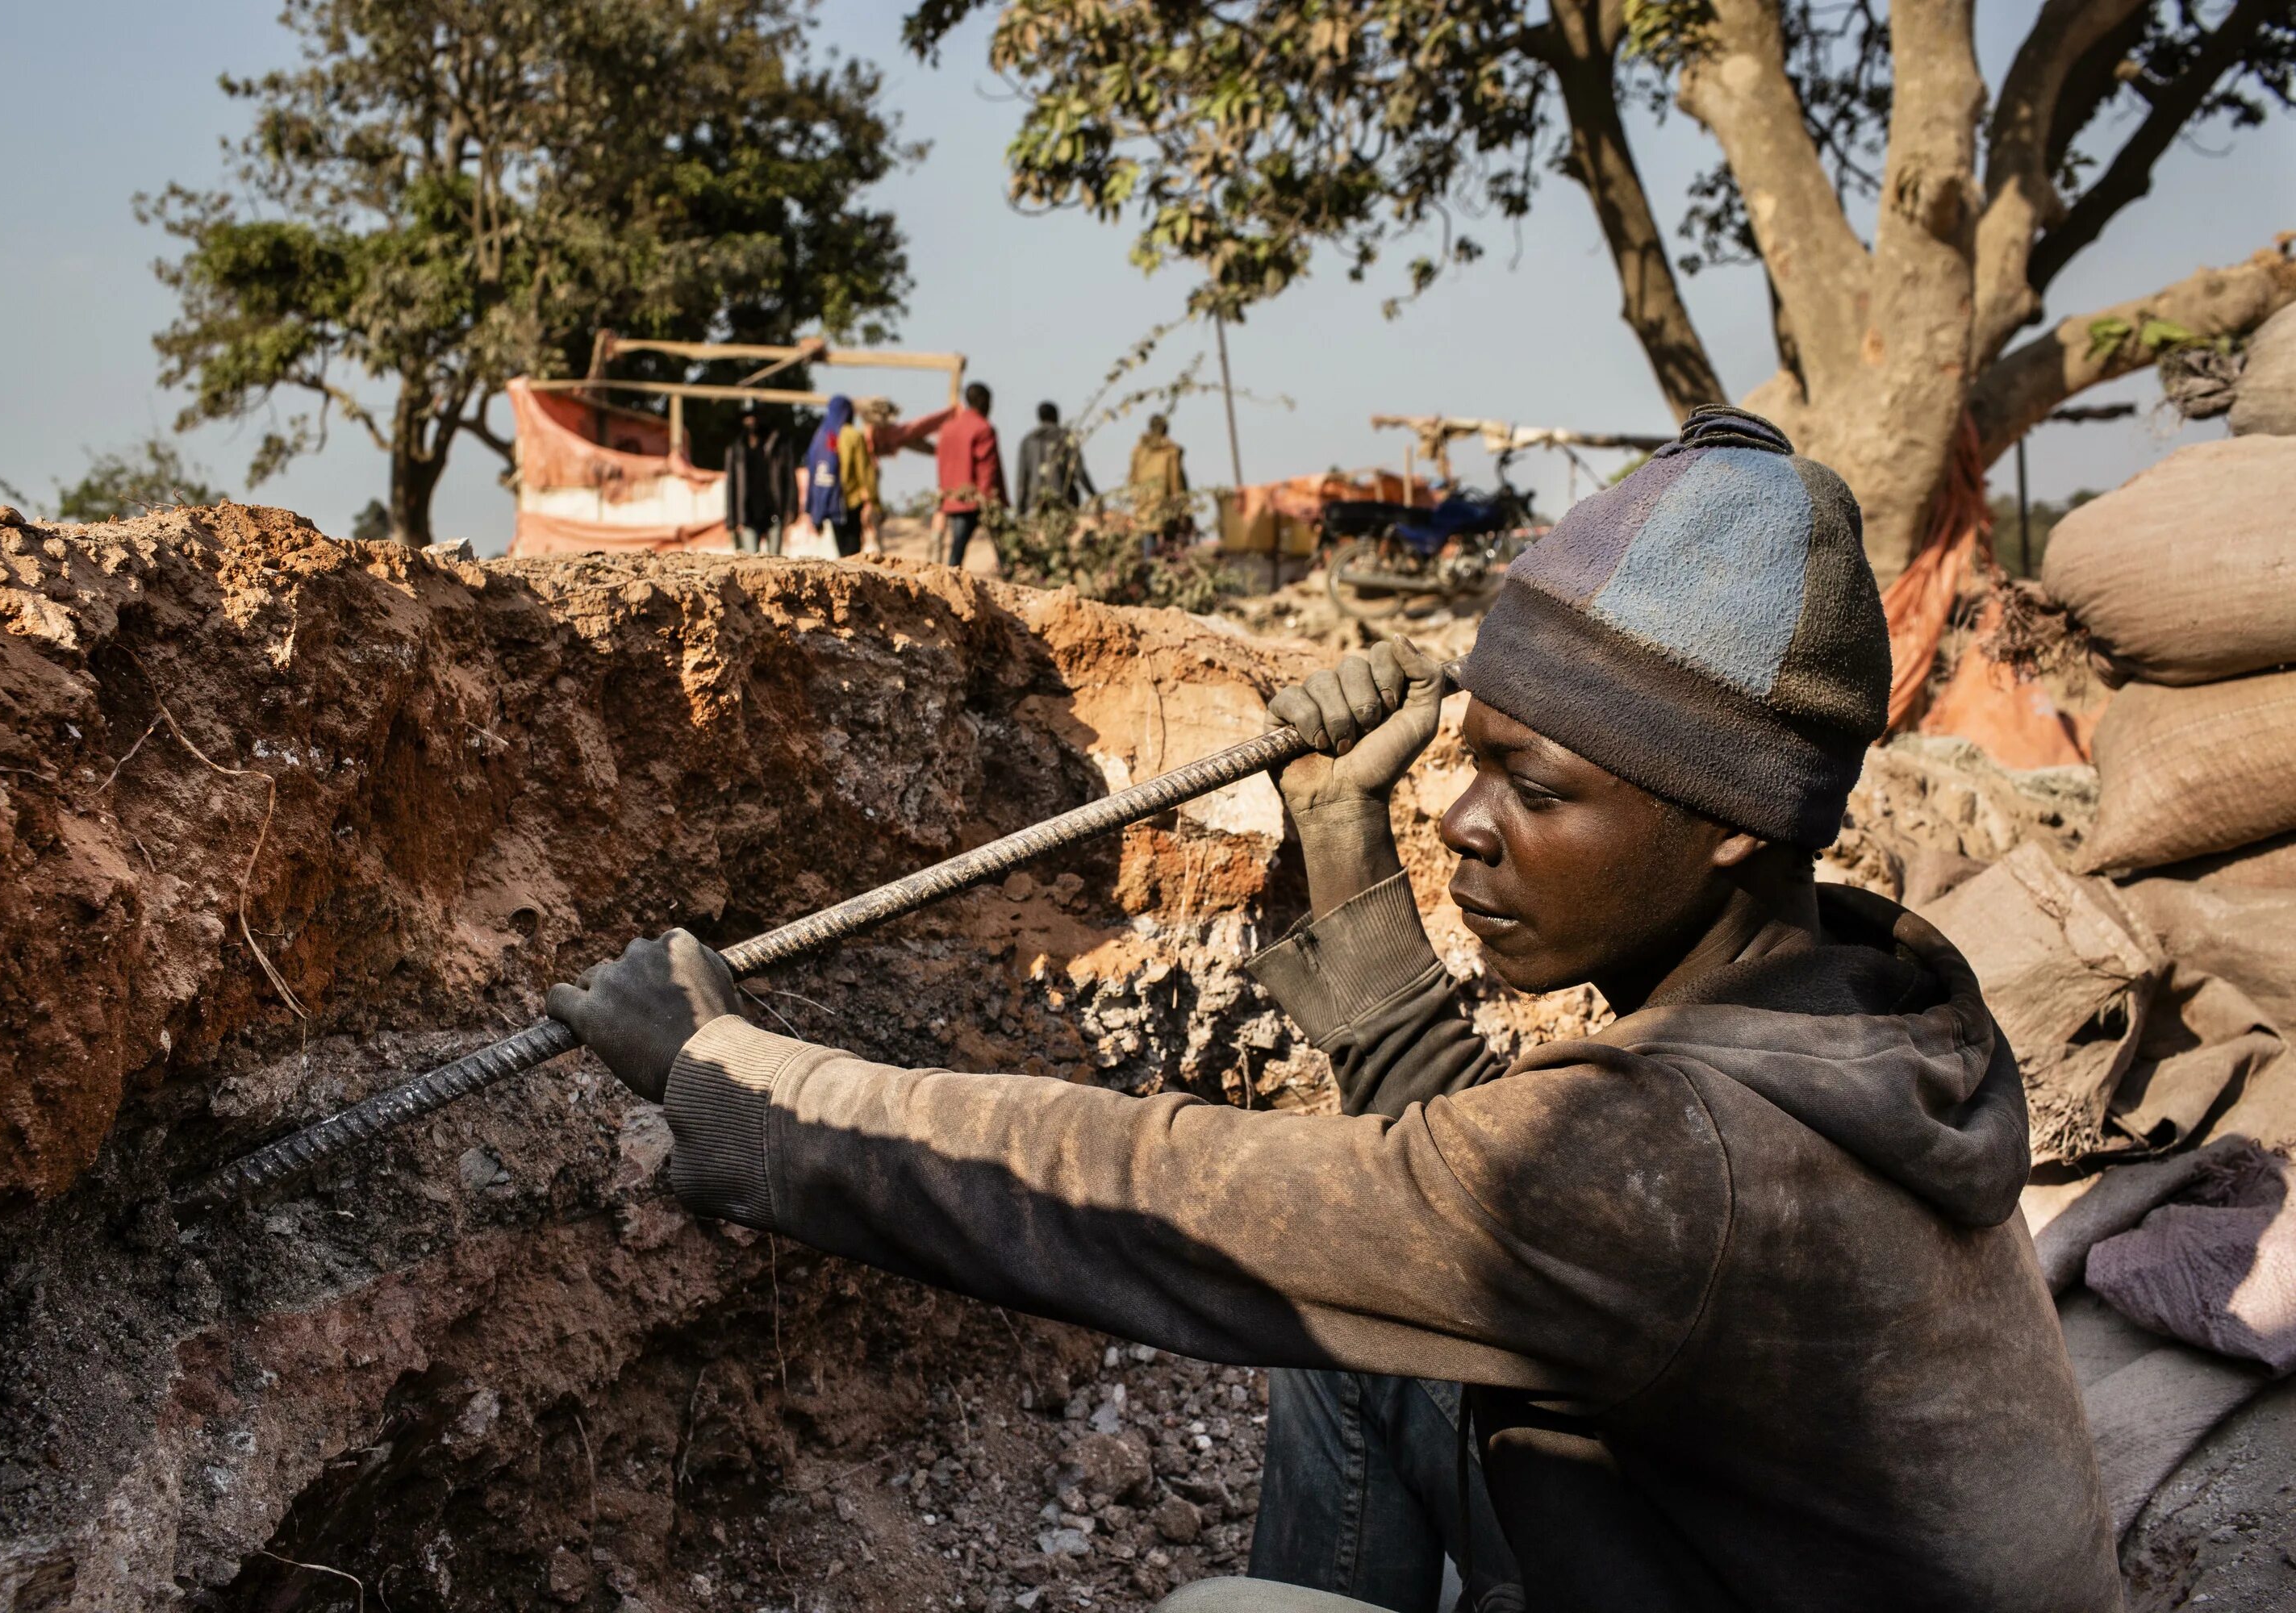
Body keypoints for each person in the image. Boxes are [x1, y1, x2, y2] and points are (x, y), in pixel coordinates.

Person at [547, 406, 2119, 1613]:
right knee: (1362, 1351)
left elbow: (1158, 1196)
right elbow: (1464, 1193)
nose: (1469, 820)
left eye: (1537, 784)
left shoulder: (1679, 1162)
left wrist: (731, 1073)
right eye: (1473, 757)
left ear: (1725, 823)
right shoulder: (1842, 984)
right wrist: (1341, 833)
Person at [933, 381, 1006, 569]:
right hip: (978, 498)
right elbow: (987, 469)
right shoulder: (984, 429)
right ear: (984, 402)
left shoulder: (947, 428)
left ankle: (949, 580)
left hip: (954, 497)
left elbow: (942, 463)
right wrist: (988, 499)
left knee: (957, 548)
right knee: (1003, 548)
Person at [724, 408, 797, 554]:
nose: (751, 421)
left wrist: (791, 508)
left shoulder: (778, 446)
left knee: (775, 563)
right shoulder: (736, 449)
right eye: (747, 417)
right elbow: (731, 485)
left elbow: (789, 478)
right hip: (748, 515)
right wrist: (732, 519)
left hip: (774, 512)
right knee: (752, 565)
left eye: (754, 417)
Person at [802, 394, 861, 559]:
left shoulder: (819, 437)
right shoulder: (851, 435)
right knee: (853, 551)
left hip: (827, 502)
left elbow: (813, 473)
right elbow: (863, 472)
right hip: (848, 501)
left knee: (842, 548)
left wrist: (814, 509)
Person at [1015, 400, 1095, 514]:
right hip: (1064, 501)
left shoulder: (1027, 441)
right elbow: (1079, 471)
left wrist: (1020, 510)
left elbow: (1022, 480)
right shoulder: (1065, 437)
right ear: (1056, 416)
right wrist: (1094, 495)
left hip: (1035, 503)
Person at [1129, 413, 1192, 551]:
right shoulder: (1171, 452)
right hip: (1165, 506)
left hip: (1144, 504)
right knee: (1170, 547)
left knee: (1148, 539)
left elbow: (1132, 479)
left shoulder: (1139, 451)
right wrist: (1183, 508)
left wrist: (1137, 500)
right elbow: (1177, 483)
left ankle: (1150, 567)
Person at [837, 402, 884, 558]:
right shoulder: (855, 438)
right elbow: (863, 473)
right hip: (857, 500)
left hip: (839, 500)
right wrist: (874, 502)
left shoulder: (834, 435)